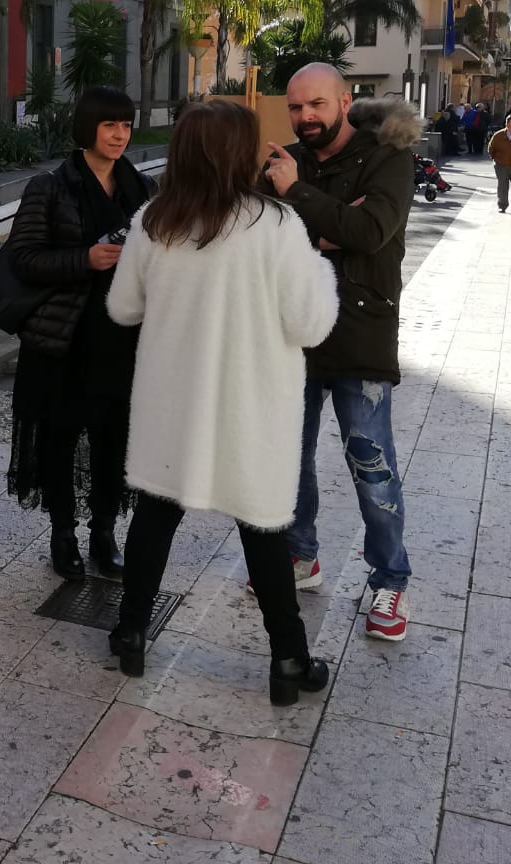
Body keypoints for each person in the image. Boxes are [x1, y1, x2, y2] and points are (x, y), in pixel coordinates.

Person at [106, 101, 339, 705]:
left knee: (154, 519)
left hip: (171, 407)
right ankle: (288, 659)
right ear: (241, 153)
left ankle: (131, 633)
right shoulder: (277, 224)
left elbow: (123, 308)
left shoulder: (154, 221)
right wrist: (320, 271)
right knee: (263, 531)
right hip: (251, 408)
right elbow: (310, 323)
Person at [264, 63, 417, 642]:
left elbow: (370, 232)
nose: (305, 118)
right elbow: (274, 237)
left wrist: (298, 198)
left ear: (345, 101)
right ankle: (301, 556)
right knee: (290, 459)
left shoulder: (387, 159)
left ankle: (389, 580)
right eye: (296, 108)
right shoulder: (288, 162)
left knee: (371, 466)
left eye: (317, 105)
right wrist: (328, 223)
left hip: (360, 335)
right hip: (295, 334)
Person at [4, 86, 154, 579]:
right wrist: (83, 259)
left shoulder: (142, 189)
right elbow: (23, 259)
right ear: (87, 126)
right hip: (63, 340)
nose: (119, 135)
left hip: (123, 339)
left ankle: (104, 531)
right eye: (109, 124)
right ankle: (63, 533)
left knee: (114, 441)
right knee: (59, 439)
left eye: (126, 125)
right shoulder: (50, 187)